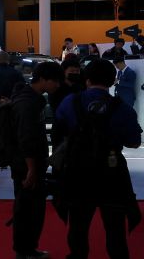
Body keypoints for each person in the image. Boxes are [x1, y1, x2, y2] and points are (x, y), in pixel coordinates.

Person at [55, 59, 142, 259]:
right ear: (112, 81)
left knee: (78, 225)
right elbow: (134, 142)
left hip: (77, 172)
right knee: (115, 228)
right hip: (112, 173)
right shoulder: (123, 108)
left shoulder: (70, 102)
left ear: (86, 79)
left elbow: (58, 134)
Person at [7, 61, 63, 259]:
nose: (58, 85)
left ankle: (27, 249)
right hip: (26, 165)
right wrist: (31, 168)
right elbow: (26, 138)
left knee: (29, 208)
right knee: (28, 210)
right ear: (44, 79)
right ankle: (25, 250)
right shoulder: (27, 103)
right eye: (55, 81)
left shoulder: (30, 98)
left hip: (28, 163)